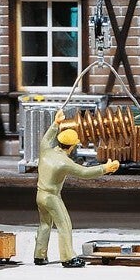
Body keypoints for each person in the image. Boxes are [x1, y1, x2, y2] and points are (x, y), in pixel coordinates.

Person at [34, 109, 119, 267]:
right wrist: (105, 168)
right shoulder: (64, 163)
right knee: (64, 224)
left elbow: (47, 137)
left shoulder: (45, 150)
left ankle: (39, 255)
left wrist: (56, 123)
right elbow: (84, 172)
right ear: (72, 146)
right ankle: (68, 258)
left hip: (40, 195)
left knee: (45, 224)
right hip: (52, 197)